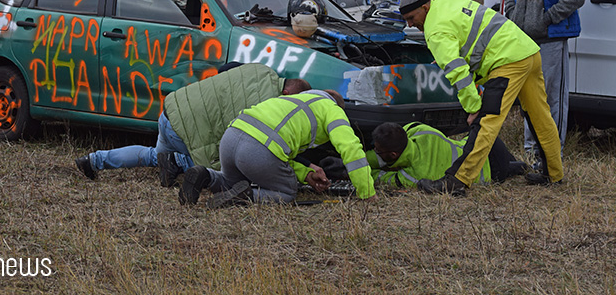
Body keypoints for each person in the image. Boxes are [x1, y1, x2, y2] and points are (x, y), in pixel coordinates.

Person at [398, 0, 564, 196]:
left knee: (486, 122)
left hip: (506, 61)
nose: (410, 25)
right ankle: (554, 174)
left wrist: (473, 106)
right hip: (527, 52)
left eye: (412, 18)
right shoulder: (446, 0)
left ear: (425, 7)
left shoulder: (434, 30)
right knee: (540, 118)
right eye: (406, 20)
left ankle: (457, 180)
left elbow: (458, 73)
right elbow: (466, 34)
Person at [75, 63, 311, 187]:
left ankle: (93, 160)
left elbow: (225, 70)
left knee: (153, 155)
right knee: (229, 165)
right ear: (288, 93)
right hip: (186, 131)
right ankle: (177, 162)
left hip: (171, 110)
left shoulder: (260, 70)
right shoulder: (269, 105)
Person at [179, 89, 376, 208]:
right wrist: (367, 192)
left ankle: (206, 175)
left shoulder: (292, 101)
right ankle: (245, 197)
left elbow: (282, 154)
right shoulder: (332, 110)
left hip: (232, 136)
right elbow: (351, 149)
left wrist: (307, 173)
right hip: (260, 147)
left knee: (230, 181)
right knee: (287, 194)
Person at [503, 0, 585, 156]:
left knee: (551, 98)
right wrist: (514, 14)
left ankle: (550, 152)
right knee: (530, 97)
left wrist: (547, 18)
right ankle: (531, 150)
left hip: (551, 39)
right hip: (525, 41)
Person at [362, 122, 527, 189]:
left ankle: (519, 167)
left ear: (393, 154)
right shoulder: (419, 130)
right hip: (486, 144)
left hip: (493, 170)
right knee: (515, 165)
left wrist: (358, 165)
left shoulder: (415, 175)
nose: (375, 152)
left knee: (510, 169)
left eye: (378, 151)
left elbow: (380, 177)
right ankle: (521, 166)